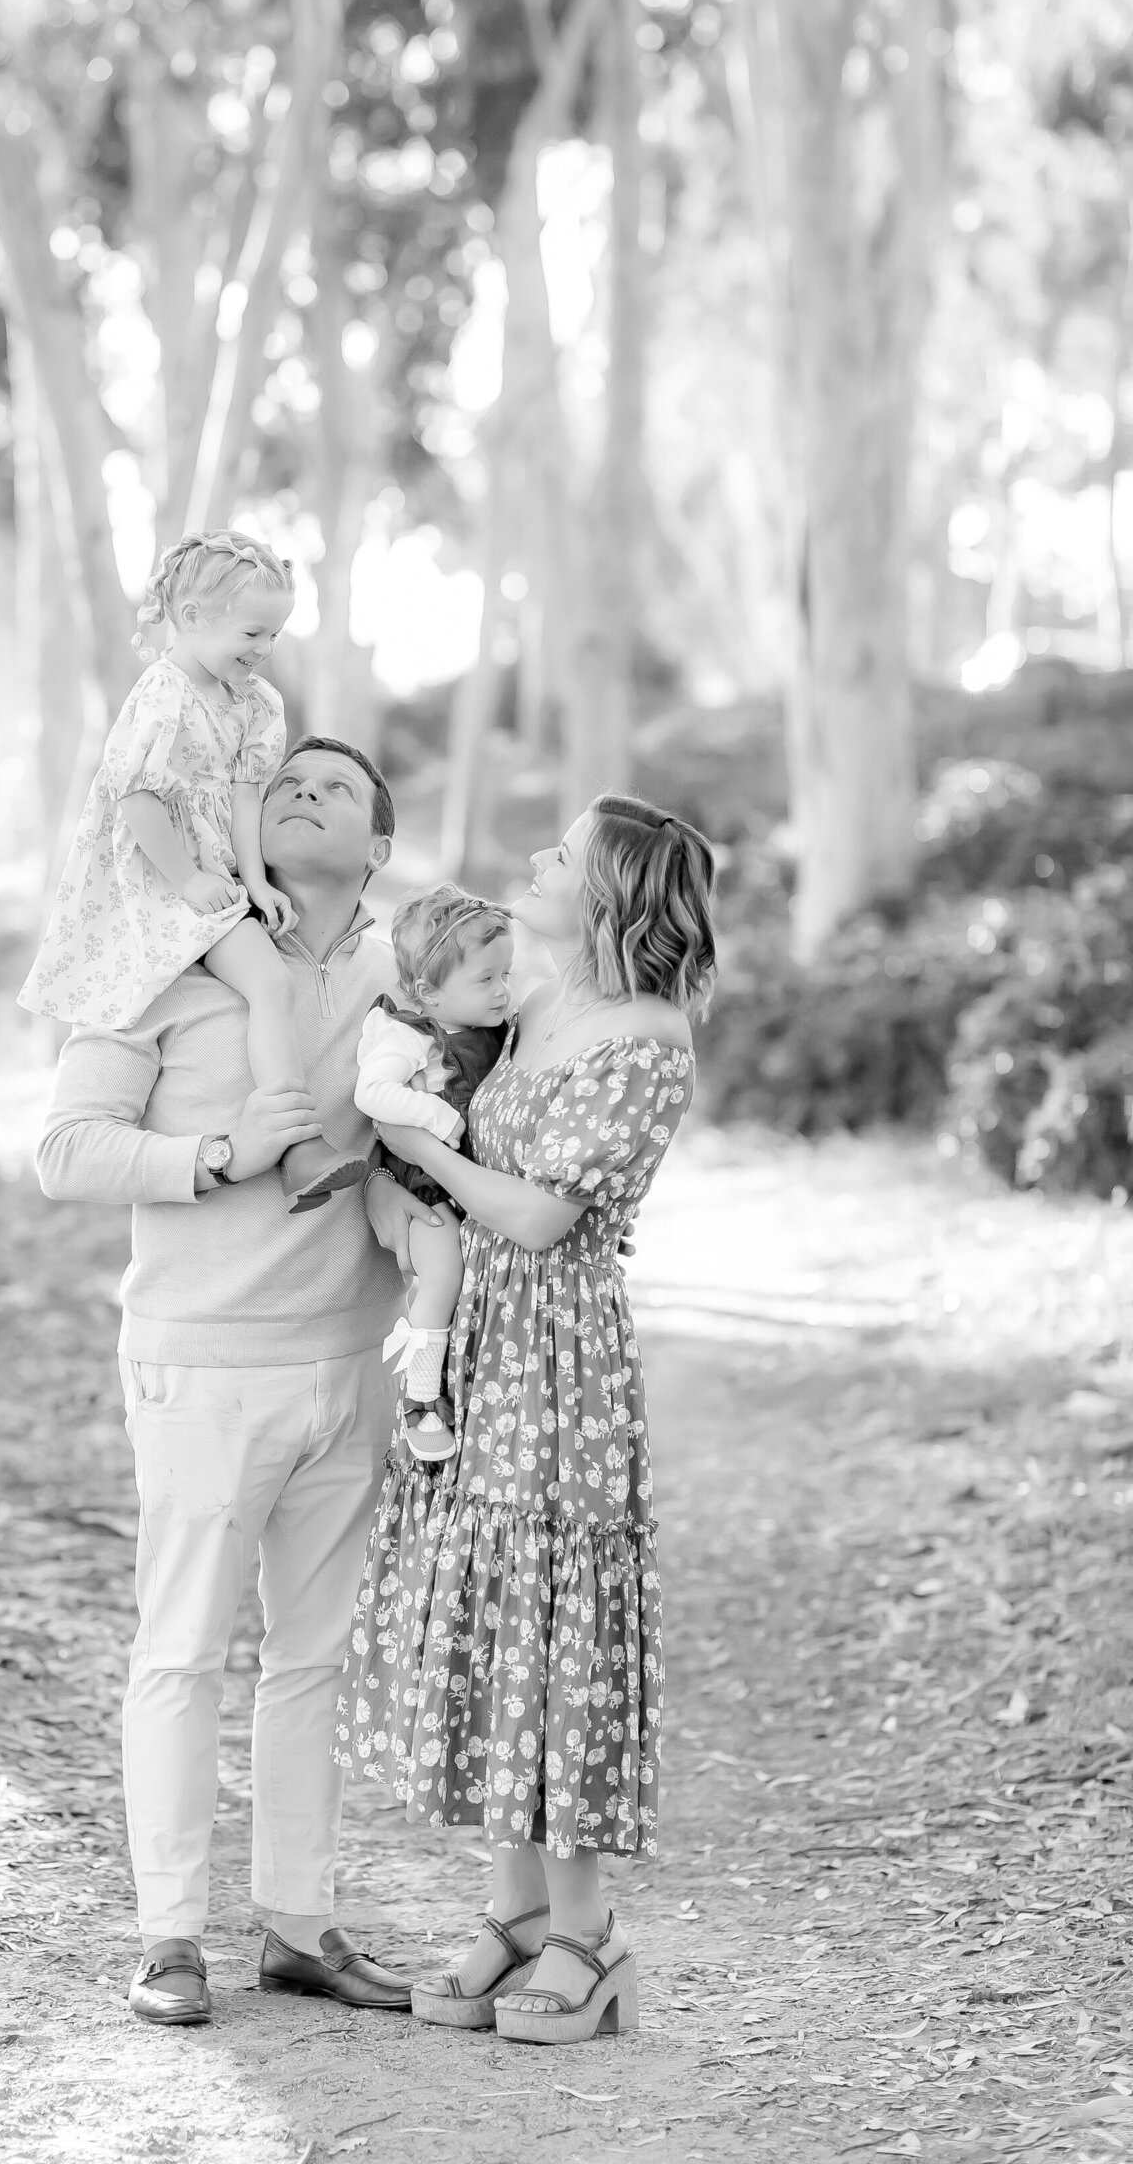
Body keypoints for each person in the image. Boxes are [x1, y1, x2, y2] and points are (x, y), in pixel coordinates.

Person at [35, 735, 439, 2028]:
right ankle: (166, 1941)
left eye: (337, 789)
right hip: (203, 1365)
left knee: (312, 1661)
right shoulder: (168, 959)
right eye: (286, 784)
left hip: (350, 1367)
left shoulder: (404, 981)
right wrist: (211, 1152)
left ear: (376, 849)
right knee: (182, 1653)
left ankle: (299, 1928)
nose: (303, 792)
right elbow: (64, 1150)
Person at [337, 794, 716, 2047]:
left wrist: (424, 1157)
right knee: (490, 1615)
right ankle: (508, 1914)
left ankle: (585, 1936)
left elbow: (544, 1217)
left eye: (561, 855)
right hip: (482, 1345)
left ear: (607, 892)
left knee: (555, 1630)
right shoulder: (536, 1000)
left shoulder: (649, 1039)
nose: (536, 863)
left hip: (560, 1365)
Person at [19, 529, 366, 1214]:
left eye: (273, 636)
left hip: (213, 872)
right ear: (193, 617)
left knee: (266, 977)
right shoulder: (163, 696)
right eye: (252, 633)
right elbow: (138, 800)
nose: (263, 651)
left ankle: (296, 1145)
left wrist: (254, 880)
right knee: (267, 978)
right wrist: (187, 881)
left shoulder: (256, 704)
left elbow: (244, 797)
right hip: (159, 874)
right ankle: (298, 1143)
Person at [354, 885, 514, 1462]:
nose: (502, 990)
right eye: (486, 980)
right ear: (427, 992)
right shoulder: (409, 1034)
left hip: (476, 1185)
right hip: (425, 1189)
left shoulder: (496, 1030)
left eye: (506, 975)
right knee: (443, 1273)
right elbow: (371, 1092)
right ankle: (422, 1396)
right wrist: (435, 1116)